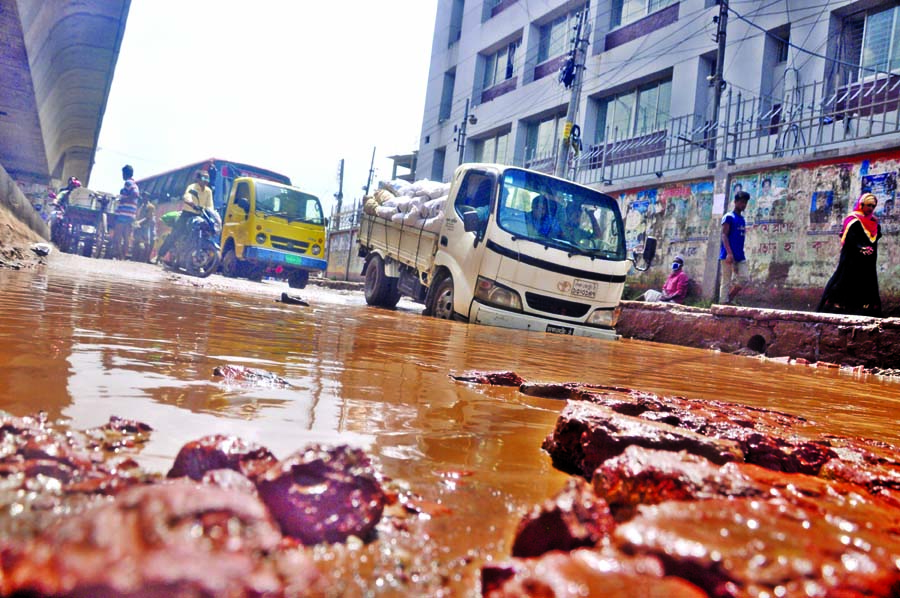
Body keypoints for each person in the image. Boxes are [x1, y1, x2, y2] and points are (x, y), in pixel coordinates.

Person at [817, 192, 882, 317]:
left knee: (866, 283)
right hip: (852, 259)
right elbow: (850, 238)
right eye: (868, 205)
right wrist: (860, 247)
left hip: (867, 261)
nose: (871, 209)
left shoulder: (873, 222)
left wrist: (868, 249)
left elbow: (875, 237)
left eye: (873, 206)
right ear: (861, 205)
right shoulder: (853, 220)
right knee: (844, 281)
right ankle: (837, 308)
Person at [158, 170, 214, 262]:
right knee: (175, 234)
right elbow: (187, 197)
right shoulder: (192, 187)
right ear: (198, 179)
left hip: (199, 216)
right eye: (204, 178)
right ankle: (160, 255)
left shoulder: (208, 191)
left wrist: (212, 213)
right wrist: (191, 203)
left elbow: (210, 205)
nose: (206, 180)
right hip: (187, 214)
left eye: (208, 178)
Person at [719, 190, 749, 305]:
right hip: (728, 255)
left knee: (745, 278)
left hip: (740, 255)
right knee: (726, 280)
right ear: (735, 202)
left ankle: (728, 299)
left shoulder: (742, 219)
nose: (743, 205)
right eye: (741, 202)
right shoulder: (728, 217)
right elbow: (724, 235)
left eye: (745, 202)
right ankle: (722, 304)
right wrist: (729, 253)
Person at [109, 165, 140, 259]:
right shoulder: (134, 183)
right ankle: (122, 257)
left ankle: (118, 254)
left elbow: (135, 194)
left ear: (125, 173)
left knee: (117, 236)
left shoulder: (128, 182)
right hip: (131, 215)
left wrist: (124, 200)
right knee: (126, 237)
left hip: (124, 214)